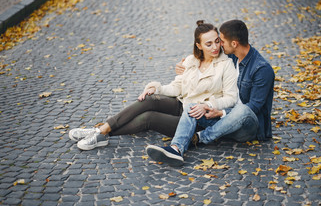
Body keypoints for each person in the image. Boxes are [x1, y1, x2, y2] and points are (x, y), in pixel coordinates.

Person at [68, 20, 238, 151]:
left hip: (195, 118)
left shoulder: (226, 65)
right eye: (209, 44)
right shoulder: (191, 60)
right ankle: (100, 132)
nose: (215, 47)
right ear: (199, 46)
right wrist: (156, 88)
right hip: (181, 104)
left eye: (217, 41)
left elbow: (231, 98)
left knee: (149, 118)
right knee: (149, 99)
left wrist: (208, 105)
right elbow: (177, 87)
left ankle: (101, 132)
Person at [146, 19, 275, 166]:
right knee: (193, 106)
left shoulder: (262, 69)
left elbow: (253, 108)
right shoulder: (232, 57)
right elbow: (206, 48)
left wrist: (220, 113)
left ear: (234, 44)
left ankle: (200, 137)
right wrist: (186, 65)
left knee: (243, 109)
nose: (219, 45)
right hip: (224, 122)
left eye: (221, 41)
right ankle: (176, 149)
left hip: (248, 126)